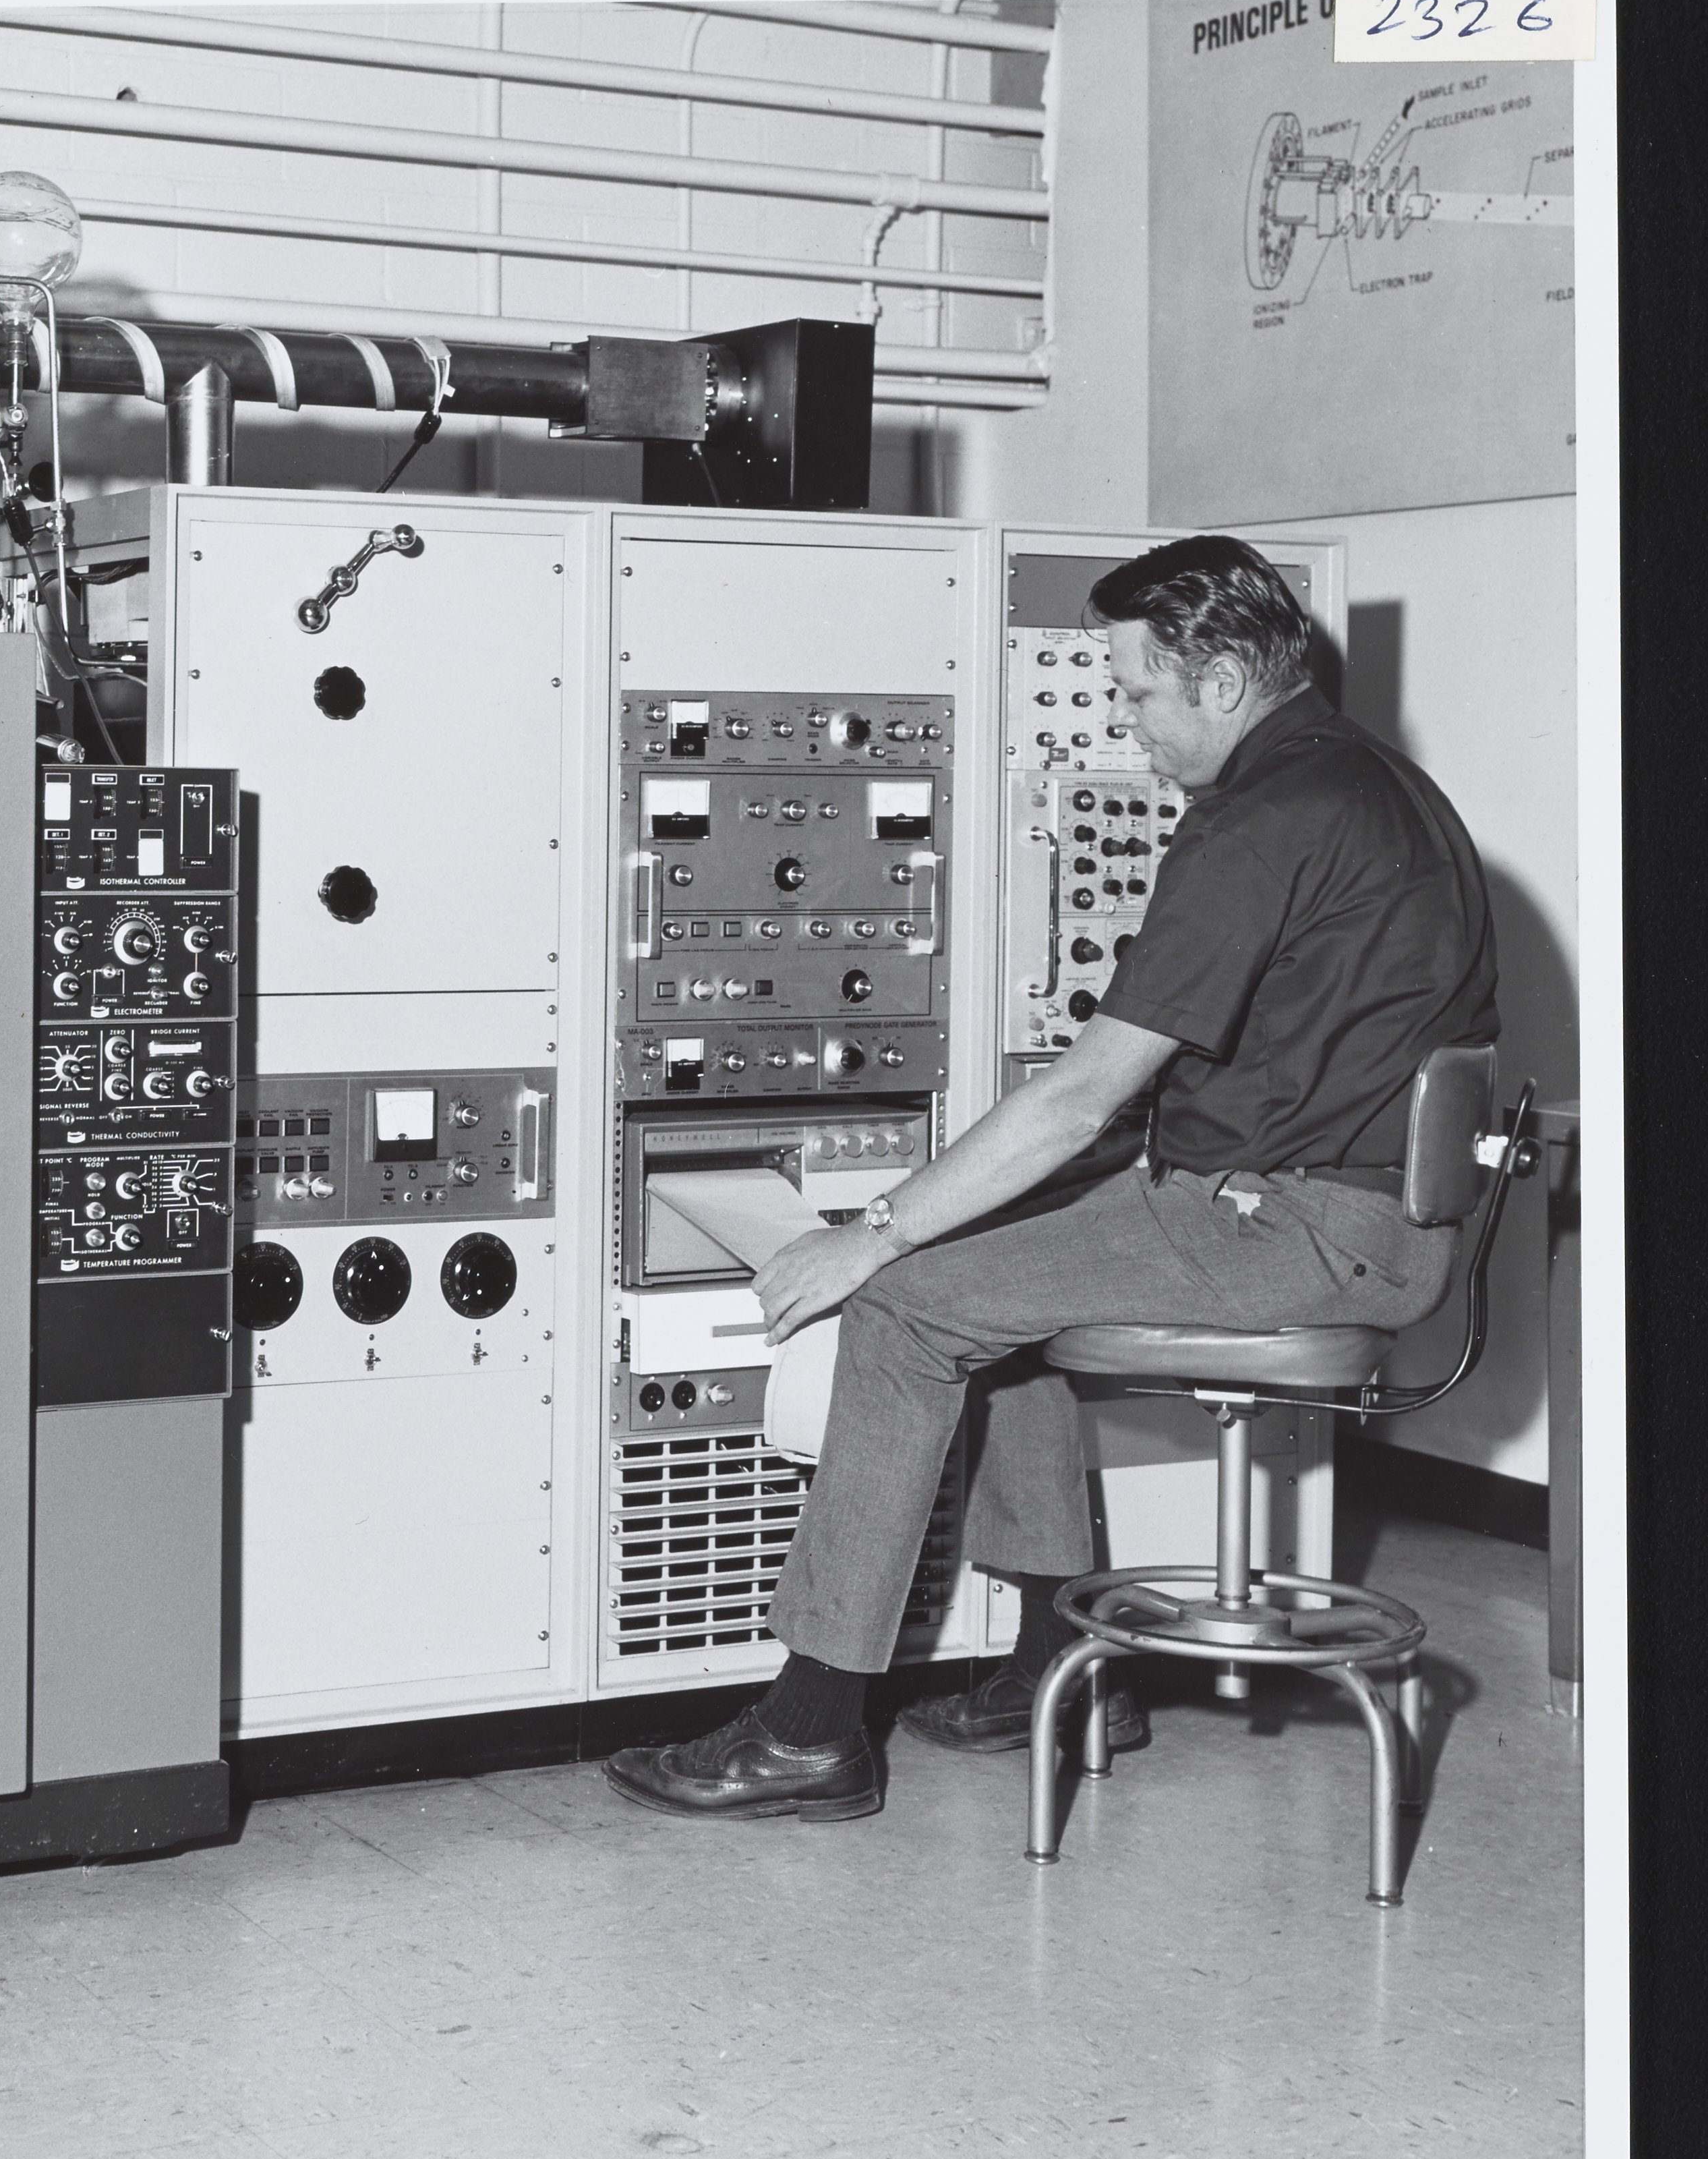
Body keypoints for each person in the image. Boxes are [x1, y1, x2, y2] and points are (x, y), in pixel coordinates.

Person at [604, 535, 1500, 1822]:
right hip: (1355, 1215)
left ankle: (808, 1731)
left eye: (1138, 693)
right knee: (991, 1277)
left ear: (1224, 679)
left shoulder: (1259, 821)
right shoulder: (1382, 785)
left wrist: (872, 1233)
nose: (1129, 725)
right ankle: (1056, 1675)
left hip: (1299, 1225)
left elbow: (1084, 1091)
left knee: (906, 1303)